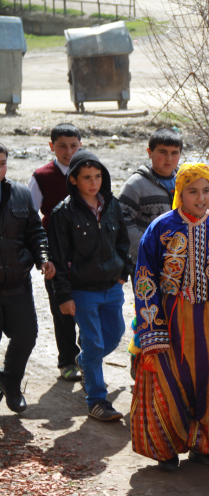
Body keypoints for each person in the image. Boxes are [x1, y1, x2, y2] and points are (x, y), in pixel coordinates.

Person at [130, 163, 209, 471]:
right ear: (179, 193)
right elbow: (145, 277)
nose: (200, 198)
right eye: (192, 191)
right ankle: (166, 448)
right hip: (170, 316)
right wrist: (151, 327)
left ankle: (203, 445)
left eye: (206, 191)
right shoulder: (160, 227)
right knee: (170, 378)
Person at [48, 149, 133, 421]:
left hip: (112, 287)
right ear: (73, 180)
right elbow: (58, 258)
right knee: (94, 343)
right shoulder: (62, 213)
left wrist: (122, 273)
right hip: (82, 290)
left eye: (97, 176)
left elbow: (123, 241)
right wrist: (63, 295)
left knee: (115, 333)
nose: (93, 182)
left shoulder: (112, 204)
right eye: (87, 177)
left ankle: (84, 361)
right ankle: (97, 400)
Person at [0, 143, 56, 413]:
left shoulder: (21, 194)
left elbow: (35, 232)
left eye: (2, 162)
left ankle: (10, 382)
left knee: (27, 335)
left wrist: (43, 258)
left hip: (16, 285)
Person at [28, 123, 82, 382]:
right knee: (62, 307)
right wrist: (40, 257)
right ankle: (67, 360)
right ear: (52, 147)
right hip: (55, 254)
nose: (68, 151)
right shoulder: (41, 176)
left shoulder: (88, 172)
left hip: (86, 254)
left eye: (73, 146)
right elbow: (29, 219)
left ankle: (88, 356)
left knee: (88, 306)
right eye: (62, 146)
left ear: (80, 146)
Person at [118, 128, 183, 259]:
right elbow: (123, 223)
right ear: (149, 152)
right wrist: (150, 248)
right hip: (145, 262)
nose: (169, 159)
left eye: (174, 153)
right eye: (163, 152)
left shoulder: (185, 183)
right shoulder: (135, 185)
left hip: (178, 259)